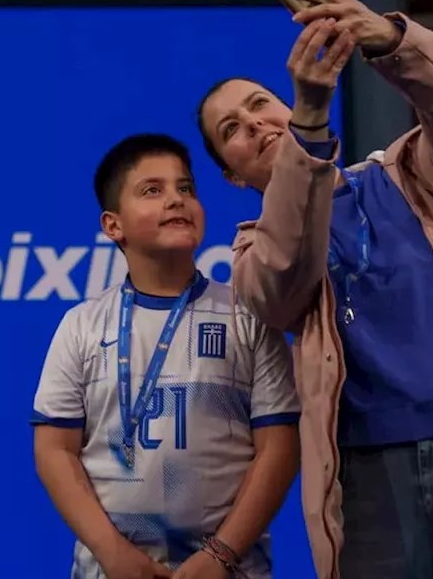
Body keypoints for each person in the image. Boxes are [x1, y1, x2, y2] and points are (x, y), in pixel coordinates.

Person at [195, 0, 433, 579]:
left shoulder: (412, 173)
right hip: (370, 478)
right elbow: (282, 288)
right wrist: (305, 124)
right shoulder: (252, 252)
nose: (254, 123)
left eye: (259, 104)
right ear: (230, 174)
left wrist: (393, 41)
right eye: (232, 129)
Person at [31, 133, 302, 579]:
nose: (176, 200)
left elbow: (278, 449)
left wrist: (220, 555)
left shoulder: (248, 315)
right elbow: (54, 451)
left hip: (230, 570)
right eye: (152, 191)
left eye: (186, 188)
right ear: (112, 225)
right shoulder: (81, 325)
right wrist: (111, 553)